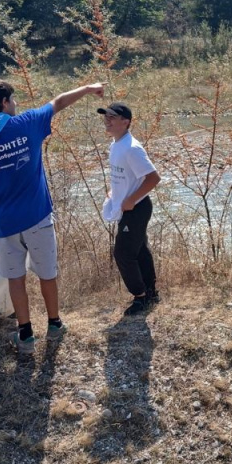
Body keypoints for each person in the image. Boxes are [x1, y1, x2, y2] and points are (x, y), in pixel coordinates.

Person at [0, 76, 103, 353]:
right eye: (13, 99)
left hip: (4, 223)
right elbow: (59, 101)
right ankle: (54, 324)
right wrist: (87, 88)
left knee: (16, 278)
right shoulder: (26, 124)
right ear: (4, 102)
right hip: (38, 217)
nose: (16, 103)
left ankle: (25, 336)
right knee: (47, 274)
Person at [98, 102, 161, 316]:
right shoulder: (116, 144)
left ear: (126, 122)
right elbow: (124, 177)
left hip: (137, 208)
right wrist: (114, 193)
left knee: (123, 253)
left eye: (112, 117)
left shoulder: (131, 148)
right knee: (140, 250)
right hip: (128, 206)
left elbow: (153, 178)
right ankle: (151, 293)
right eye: (105, 116)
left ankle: (140, 297)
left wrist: (131, 200)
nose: (107, 120)